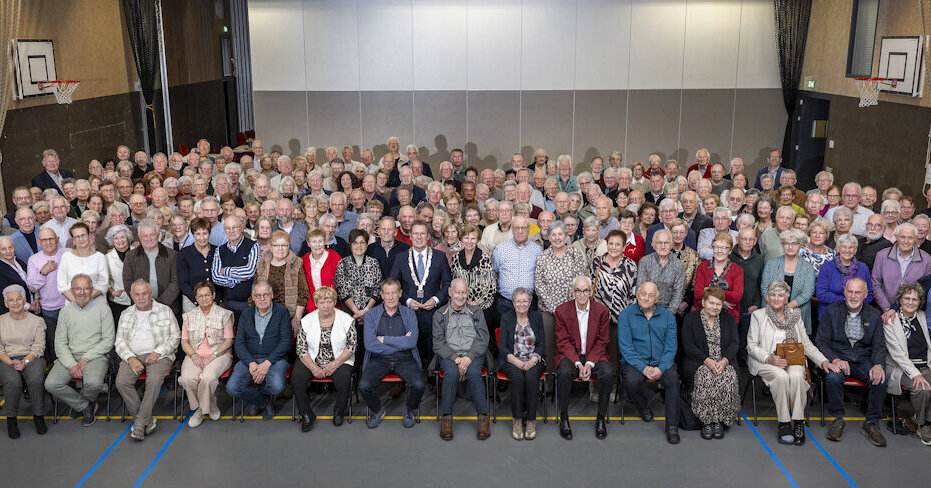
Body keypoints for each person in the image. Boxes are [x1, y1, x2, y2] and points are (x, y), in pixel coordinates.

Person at [748, 281, 833, 445]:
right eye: (773, 295)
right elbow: (751, 346)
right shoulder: (758, 315)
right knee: (781, 377)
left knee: (796, 376)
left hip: (793, 359)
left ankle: (798, 421)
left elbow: (806, 344)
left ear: (787, 299)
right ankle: (784, 423)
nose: (776, 298)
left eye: (780, 295)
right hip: (767, 361)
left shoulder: (795, 315)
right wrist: (769, 358)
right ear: (767, 298)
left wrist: (823, 361)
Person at [817, 277, 888, 447]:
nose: (853, 296)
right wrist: (835, 359)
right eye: (850, 291)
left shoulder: (874, 315)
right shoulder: (832, 311)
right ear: (844, 292)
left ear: (865, 294)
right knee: (833, 378)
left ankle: (871, 422)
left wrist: (878, 365)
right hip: (839, 358)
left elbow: (879, 345)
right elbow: (821, 342)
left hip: (863, 360)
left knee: (880, 379)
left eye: (858, 292)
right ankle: (837, 419)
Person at [45, 274, 115, 426]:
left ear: (92, 289)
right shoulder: (65, 312)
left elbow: (108, 341)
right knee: (51, 384)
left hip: (96, 356)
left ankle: (81, 405)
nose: (82, 292)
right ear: (72, 290)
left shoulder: (104, 310)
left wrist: (85, 358)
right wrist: (71, 364)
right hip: (70, 356)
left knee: (94, 383)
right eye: (78, 289)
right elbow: (60, 343)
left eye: (86, 288)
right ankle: (85, 406)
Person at [114, 280, 180, 440]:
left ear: (151, 293)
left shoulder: (165, 310)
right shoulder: (126, 314)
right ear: (131, 295)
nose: (141, 297)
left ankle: (139, 424)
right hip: (133, 355)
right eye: (137, 294)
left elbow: (175, 337)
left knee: (154, 380)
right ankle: (146, 421)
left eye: (144, 293)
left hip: (160, 355)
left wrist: (158, 352)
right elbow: (119, 341)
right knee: (121, 382)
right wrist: (130, 358)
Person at [618, 282, 681, 444]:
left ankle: (672, 426)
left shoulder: (668, 316)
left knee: (673, 381)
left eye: (650, 295)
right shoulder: (626, 315)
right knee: (631, 381)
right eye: (643, 294)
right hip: (635, 361)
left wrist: (661, 368)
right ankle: (643, 406)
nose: (646, 298)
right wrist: (643, 368)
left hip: (662, 361)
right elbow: (626, 347)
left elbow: (671, 347)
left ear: (657, 299)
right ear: (637, 295)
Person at [359, 279, 426, 429]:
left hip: (405, 358)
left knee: (419, 385)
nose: (390, 297)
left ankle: (409, 409)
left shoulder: (409, 314)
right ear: (381, 295)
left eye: (394, 293)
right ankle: (377, 410)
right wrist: (400, 344)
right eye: (387, 293)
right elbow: (370, 344)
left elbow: (411, 342)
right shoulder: (371, 315)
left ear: (400, 294)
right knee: (363, 385)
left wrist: (384, 339)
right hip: (379, 359)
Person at [553, 275, 612, 440]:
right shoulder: (561, 311)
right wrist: (579, 364)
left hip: (594, 354)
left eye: (585, 290)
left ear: (591, 291)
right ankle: (564, 417)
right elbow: (563, 342)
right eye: (578, 290)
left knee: (607, 374)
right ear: (573, 292)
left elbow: (603, 340)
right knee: (564, 373)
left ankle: (601, 418)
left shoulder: (602, 311)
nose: (582, 294)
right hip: (571, 354)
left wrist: (590, 364)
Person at [433, 278, 491, 440]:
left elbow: (483, 338)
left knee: (474, 373)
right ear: (450, 292)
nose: (460, 296)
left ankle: (483, 417)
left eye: (464, 292)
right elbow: (438, 343)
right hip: (449, 355)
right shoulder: (440, 314)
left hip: (473, 354)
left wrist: (468, 357)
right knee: (451, 374)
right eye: (457, 292)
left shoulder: (476, 311)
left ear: (468, 293)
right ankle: (446, 418)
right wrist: (457, 359)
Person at [293, 286, 356, 432]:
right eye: (322, 302)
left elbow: (352, 346)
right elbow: (301, 348)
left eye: (329, 301)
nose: (326, 306)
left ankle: (339, 411)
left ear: (334, 302)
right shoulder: (307, 320)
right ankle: (307, 414)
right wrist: (313, 367)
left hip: (339, 359)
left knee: (344, 380)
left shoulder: (346, 319)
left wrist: (335, 364)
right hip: (312, 358)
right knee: (297, 378)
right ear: (316, 303)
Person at [227, 281, 291, 420]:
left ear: (272, 295)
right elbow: (239, 343)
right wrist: (251, 363)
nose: (262, 299)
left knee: (277, 386)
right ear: (253, 296)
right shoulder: (246, 314)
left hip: (275, 360)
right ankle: (263, 401)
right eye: (258, 295)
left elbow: (285, 342)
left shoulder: (282, 312)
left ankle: (260, 396)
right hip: (250, 359)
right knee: (232, 387)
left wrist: (267, 363)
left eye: (265, 295)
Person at [390, 221, 451, 364]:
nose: (419, 237)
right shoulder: (400, 257)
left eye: (422, 233)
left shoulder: (440, 256)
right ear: (410, 236)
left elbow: (448, 283)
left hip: (433, 312)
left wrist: (436, 299)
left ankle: (431, 375)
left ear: (428, 236)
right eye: (416, 234)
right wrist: (407, 301)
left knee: (432, 353)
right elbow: (393, 285)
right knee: (409, 355)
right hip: (408, 312)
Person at [682, 287, 740, 439]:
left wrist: (724, 361)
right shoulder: (691, 319)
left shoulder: (728, 319)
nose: (715, 307)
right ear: (703, 302)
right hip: (698, 361)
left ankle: (719, 421)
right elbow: (688, 344)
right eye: (711, 303)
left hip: (724, 361)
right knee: (705, 376)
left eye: (718, 304)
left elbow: (734, 343)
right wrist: (707, 361)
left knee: (727, 376)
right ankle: (706, 421)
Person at [179, 281, 234, 428]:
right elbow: (184, 342)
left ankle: (201, 410)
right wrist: (193, 355)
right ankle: (209, 402)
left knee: (207, 378)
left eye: (207, 295)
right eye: (200, 296)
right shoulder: (188, 316)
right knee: (187, 379)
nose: (204, 298)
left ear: (213, 295)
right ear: (196, 298)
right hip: (195, 354)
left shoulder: (224, 314)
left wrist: (213, 355)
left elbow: (229, 341)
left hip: (219, 355)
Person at [882, 283, 931, 443]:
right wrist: (916, 374)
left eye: (914, 299)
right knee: (922, 389)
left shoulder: (923, 317)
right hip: (901, 368)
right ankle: (922, 424)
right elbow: (898, 355)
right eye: (907, 298)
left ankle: (927, 419)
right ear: (900, 300)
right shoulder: (890, 320)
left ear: (920, 302)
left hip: (925, 364)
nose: (910, 302)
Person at [0, 285, 48, 438]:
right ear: (6, 303)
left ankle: (38, 416)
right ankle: (11, 419)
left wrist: (25, 361)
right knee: (12, 382)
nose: (15, 303)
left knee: (35, 379)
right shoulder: (0, 321)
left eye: (19, 299)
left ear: (25, 300)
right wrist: (10, 362)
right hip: (7, 358)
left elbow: (39, 346)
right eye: (11, 300)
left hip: (32, 356)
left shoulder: (37, 321)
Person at [497, 287, 545, 441]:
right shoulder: (506, 318)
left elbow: (542, 344)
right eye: (518, 301)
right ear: (513, 303)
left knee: (531, 377)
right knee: (517, 378)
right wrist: (515, 361)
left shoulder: (537, 317)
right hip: (512, 360)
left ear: (530, 303)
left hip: (533, 359)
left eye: (525, 301)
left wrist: (533, 359)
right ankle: (517, 420)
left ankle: (531, 420)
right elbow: (502, 347)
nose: (522, 304)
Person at [871, 223, 931, 324]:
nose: (906, 241)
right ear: (896, 237)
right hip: (883, 312)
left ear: (916, 239)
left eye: (910, 238)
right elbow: (875, 284)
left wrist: (904, 309)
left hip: (912, 313)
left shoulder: (927, 260)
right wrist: (887, 308)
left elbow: (925, 290)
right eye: (902, 237)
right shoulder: (882, 256)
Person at [761, 229, 817, 333]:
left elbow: (807, 293)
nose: (790, 247)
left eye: (794, 244)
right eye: (787, 243)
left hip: (799, 314)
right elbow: (765, 288)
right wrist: (776, 307)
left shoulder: (807, 267)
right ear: (782, 245)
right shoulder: (771, 264)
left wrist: (785, 308)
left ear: (800, 246)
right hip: (771, 313)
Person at [255, 230, 308, 336]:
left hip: (289, 316)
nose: (280, 248)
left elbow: (303, 293)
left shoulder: (296, 263)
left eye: (284, 245)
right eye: (276, 245)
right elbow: (255, 290)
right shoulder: (262, 263)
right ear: (271, 247)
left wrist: (297, 318)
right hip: (266, 315)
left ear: (289, 246)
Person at [122, 220, 179, 315]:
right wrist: (143, 302)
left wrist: (159, 303)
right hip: (141, 308)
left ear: (158, 235)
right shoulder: (130, 256)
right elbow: (128, 282)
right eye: (145, 236)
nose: (149, 239)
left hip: (167, 308)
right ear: (139, 237)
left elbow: (176, 282)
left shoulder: (172, 255)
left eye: (152, 235)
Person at [816, 234, 874, 319]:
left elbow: (869, 294)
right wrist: (846, 300)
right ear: (838, 248)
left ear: (855, 250)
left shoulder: (863, 267)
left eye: (851, 247)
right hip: (830, 314)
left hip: (857, 314)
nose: (847, 250)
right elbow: (821, 294)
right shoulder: (827, 267)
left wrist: (855, 304)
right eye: (844, 247)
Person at [211, 215, 260, 316]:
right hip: (229, 303)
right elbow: (215, 277)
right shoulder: (219, 250)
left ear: (241, 228)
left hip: (250, 303)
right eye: (228, 228)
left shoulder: (253, 245)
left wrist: (225, 271)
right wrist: (237, 280)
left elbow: (250, 271)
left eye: (234, 227)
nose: (231, 231)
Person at [693, 233, 744, 322]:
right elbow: (697, 293)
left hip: (728, 317)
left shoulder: (737, 270)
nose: (719, 251)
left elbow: (737, 296)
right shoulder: (703, 266)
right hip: (704, 316)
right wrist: (722, 302)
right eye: (716, 247)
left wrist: (709, 290)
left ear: (730, 251)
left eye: (724, 248)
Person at [56, 223, 109, 304]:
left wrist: (85, 301)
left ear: (89, 236)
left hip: (97, 304)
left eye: (83, 235)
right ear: (73, 241)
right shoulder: (66, 257)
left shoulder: (100, 257)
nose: (81, 239)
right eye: (77, 237)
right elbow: (62, 285)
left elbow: (103, 285)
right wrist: (77, 303)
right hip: (73, 304)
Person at [637, 230, 686, 314]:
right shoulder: (645, 262)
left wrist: (668, 314)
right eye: (659, 243)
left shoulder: (678, 264)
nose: (663, 246)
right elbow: (640, 289)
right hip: (645, 310)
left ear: (671, 245)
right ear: (653, 245)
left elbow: (678, 292)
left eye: (666, 243)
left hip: (669, 311)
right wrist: (647, 312)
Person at [177, 218, 215, 313]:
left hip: (214, 301)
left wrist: (215, 299)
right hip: (191, 302)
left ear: (209, 233)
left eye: (205, 233)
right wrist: (198, 300)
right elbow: (183, 282)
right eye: (198, 234)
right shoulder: (184, 253)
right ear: (193, 234)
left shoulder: (217, 251)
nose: (202, 238)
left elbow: (221, 281)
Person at [302, 228, 341, 313]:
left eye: (320, 241)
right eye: (314, 242)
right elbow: (305, 289)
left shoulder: (335, 257)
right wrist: (312, 308)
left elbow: (339, 285)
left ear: (325, 242)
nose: (317, 245)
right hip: (312, 307)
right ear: (308, 244)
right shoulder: (304, 261)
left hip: (333, 306)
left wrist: (329, 305)